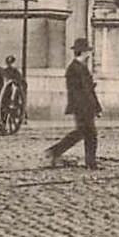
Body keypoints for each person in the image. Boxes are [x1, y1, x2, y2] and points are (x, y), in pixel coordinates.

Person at [46, 37, 101, 169]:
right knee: (90, 134)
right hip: (82, 106)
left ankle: (56, 151)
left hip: (84, 106)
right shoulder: (75, 68)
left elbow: (88, 90)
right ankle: (90, 163)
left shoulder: (79, 68)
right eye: (87, 51)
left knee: (82, 133)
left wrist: (96, 107)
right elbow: (83, 91)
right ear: (82, 52)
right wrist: (91, 107)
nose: (89, 54)